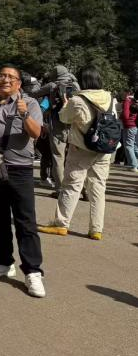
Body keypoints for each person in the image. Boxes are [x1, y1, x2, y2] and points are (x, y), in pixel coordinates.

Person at [0, 65, 45, 298]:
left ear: (18, 84)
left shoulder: (30, 103)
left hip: (20, 169)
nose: (5, 79)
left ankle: (33, 271)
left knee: (26, 220)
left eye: (10, 77)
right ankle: (3, 262)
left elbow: (36, 134)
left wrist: (24, 114)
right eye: (1, 75)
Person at [38, 66, 115, 241]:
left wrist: (66, 103)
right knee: (98, 189)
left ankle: (61, 224)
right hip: (103, 150)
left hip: (80, 149)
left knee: (72, 187)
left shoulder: (78, 100)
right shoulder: (110, 97)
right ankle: (96, 229)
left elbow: (65, 118)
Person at [31, 64, 79, 194]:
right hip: (74, 126)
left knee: (58, 158)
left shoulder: (52, 85)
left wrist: (37, 84)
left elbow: (34, 93)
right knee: (75, 158)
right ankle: (81, 188)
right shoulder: (75, 85)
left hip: (57, 126)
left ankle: (60, 189)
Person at [120, 87, 138, 171]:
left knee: (128, 146)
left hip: (129, 126)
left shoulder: (128, 101)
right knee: (134, 146)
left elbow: (125, 115)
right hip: (136, 126)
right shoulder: (135, 100)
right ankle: (135, 164)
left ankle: (134, 165)